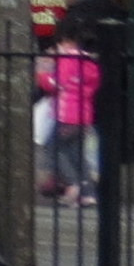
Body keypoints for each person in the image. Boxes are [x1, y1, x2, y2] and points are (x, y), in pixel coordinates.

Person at [37, 28, 99, 205]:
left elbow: (55, 84)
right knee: (77, 154)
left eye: (61, 43)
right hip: (83, 114)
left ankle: (73, 184)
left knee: (52, 149)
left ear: (68, 42)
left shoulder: (68, 58)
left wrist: (42, 73)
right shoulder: (89, 62)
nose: (58, 47)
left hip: (66, 114)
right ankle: (89, 193)